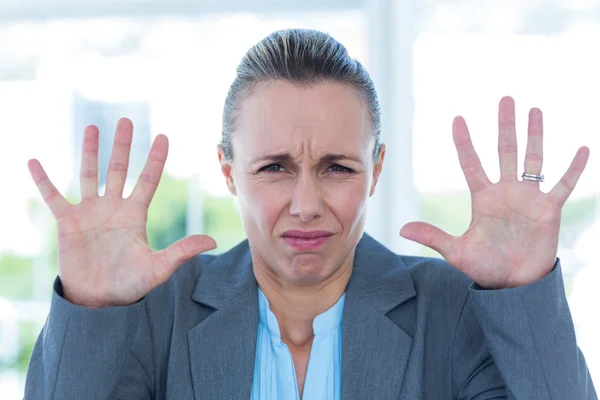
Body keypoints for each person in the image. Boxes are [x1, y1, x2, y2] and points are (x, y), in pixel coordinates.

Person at [23, 29, 597, 400]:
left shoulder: (454, 311)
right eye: (274, 167)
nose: (305, 204)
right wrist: (90, 310)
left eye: (337, 168)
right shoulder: (157, 313)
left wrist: (526, 295)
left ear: (376, 169)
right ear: (228, 170)